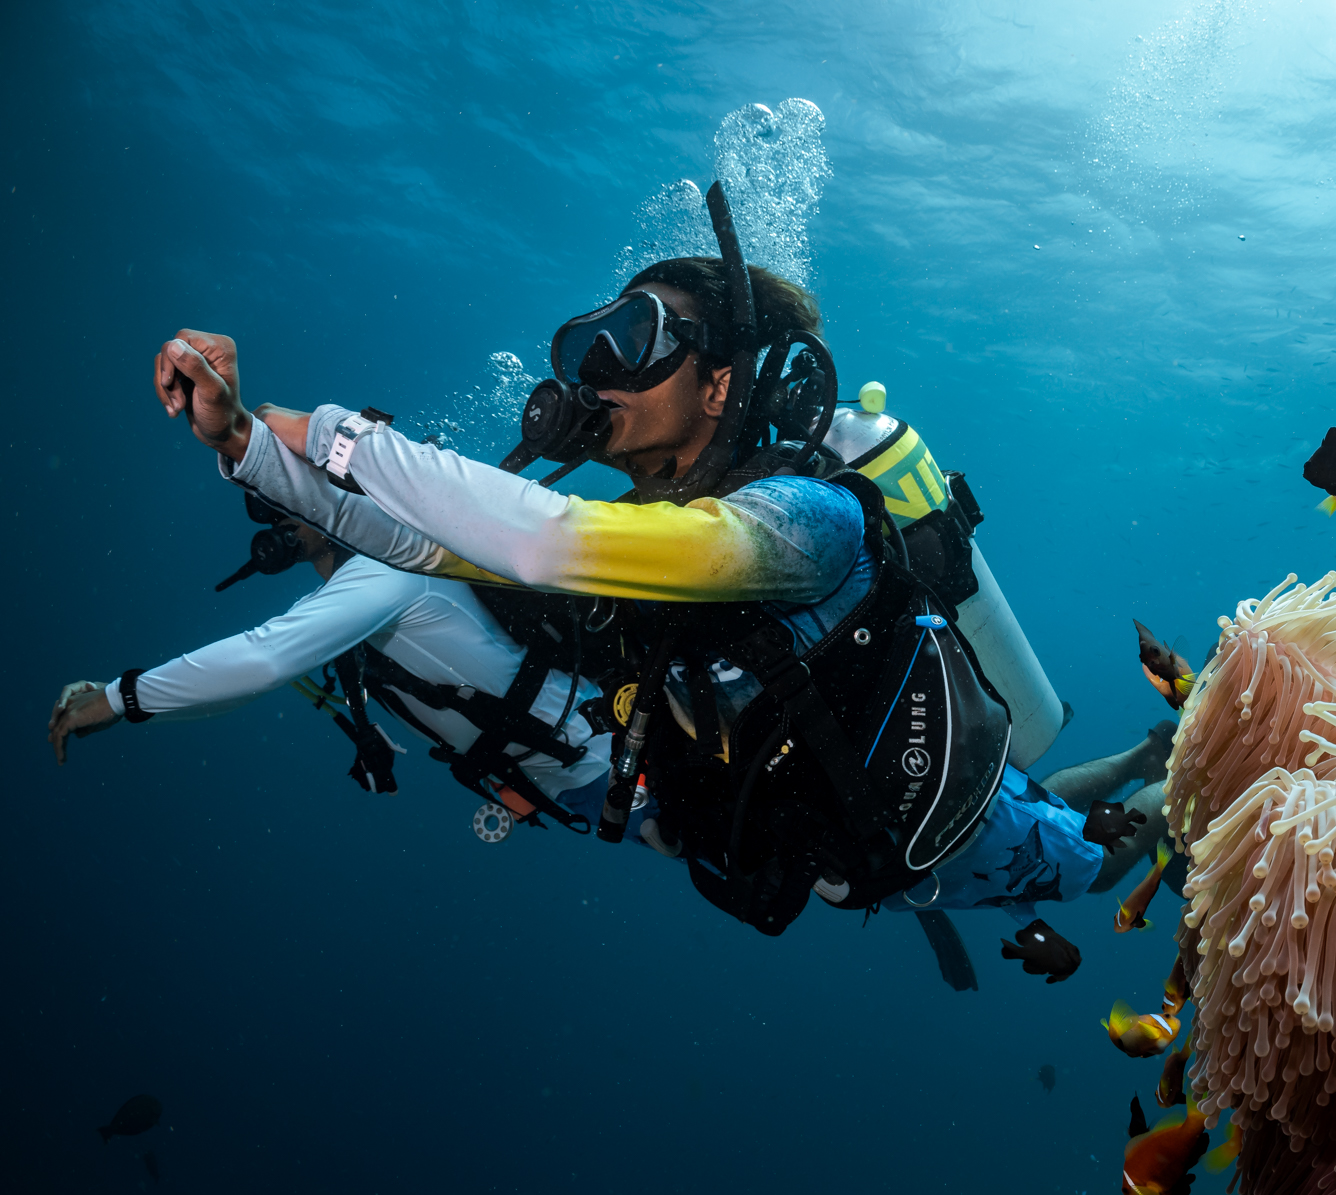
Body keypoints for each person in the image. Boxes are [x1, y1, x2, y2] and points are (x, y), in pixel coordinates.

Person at [151, 186, 1165, 981]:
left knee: (1088, 860)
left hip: (949, 819)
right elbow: (431, 550)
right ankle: (1128, 758)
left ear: (718, 382)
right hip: (844, 856)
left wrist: (330, 433)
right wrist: (244, 437)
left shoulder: (803, 520)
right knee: (1038, 825)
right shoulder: (633, 538)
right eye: (581, 351)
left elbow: (549, 545)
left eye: (630, 343)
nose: (593, 378)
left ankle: (1165, 788)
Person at [46, 503, 645, 846]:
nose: (273, 514)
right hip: (564, 781)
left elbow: (262, 660)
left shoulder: (389, 571)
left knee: (717, 846)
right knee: (701, 856)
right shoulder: (344, 610)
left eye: (286, 493)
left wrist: (119, 699)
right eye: (264, 500)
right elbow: (254, 680)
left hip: (607, 756)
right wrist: (128, 702)